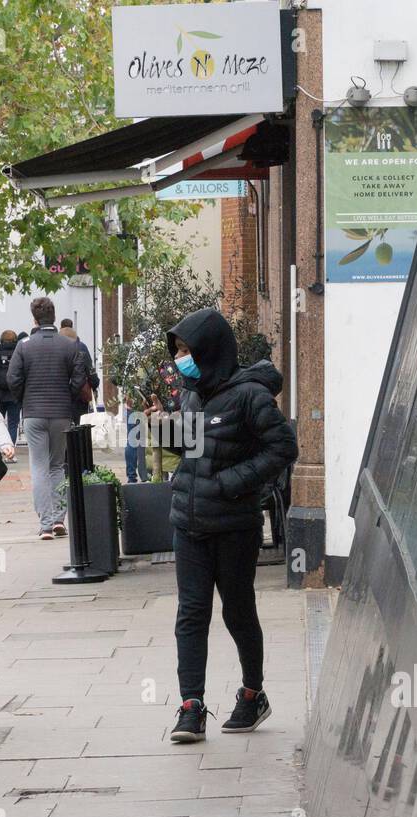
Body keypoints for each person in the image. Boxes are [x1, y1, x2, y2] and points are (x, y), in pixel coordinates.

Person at [164, 308, 298, 743]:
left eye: (187, 350)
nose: (181, 358)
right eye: (178, 351)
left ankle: (252, 693)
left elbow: (282, 448)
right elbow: (192, 449)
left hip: (233, 524)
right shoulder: (191, 393)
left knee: (238, 611)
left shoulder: (249, 396)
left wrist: (231, 483)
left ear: (210, 350)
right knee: (191, 612)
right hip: (189, 521)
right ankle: (191, 706)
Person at [6, 296, 88, 540]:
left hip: (33, 412)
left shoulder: (24, 345)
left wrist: (24, 398)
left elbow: (13, 378)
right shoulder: (69, 345)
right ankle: (59, 519)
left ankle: (45, 523)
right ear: (53, 317)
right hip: (62, 412)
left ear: (34, 318)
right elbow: (79, 377)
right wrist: (68, 395)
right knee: (57, 465)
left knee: (38, 466)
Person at [60, 318, 100, 425]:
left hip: (59, 396)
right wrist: (95, 384)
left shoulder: (56, 347)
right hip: (79, 395)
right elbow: (90, 369)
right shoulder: (81, 347)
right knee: (79, 425)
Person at [0, 330, 21, 444]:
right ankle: (11, 451)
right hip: (14, 393)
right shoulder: (19, 351)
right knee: (13, 424)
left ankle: (1, 449)